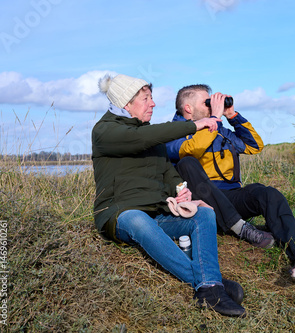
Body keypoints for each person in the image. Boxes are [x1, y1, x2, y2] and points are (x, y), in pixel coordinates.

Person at [92, 74, 246, 317]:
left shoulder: (148, 133)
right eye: (146, 99)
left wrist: (180, 190)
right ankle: (210, 284)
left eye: (152, 98)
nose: (152, 103)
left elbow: (167, 171)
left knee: (204, 213)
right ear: (126, 103)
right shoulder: (105, 131)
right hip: (119, 214)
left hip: (157, 211)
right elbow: (142, 139)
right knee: (137, 219)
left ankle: (209, 288)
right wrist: (197, 124)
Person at [166, 84, 295, 264]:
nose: (212, 106)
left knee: (267, 194)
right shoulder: (172, 133)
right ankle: (239, 227)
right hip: (203, 202)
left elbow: (254, 146)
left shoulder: (219, 131)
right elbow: (190, 150)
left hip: (231, 197)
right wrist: (215, 118)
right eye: (207, 103)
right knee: (187, 162)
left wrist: (232, 116)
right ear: (188, 108)